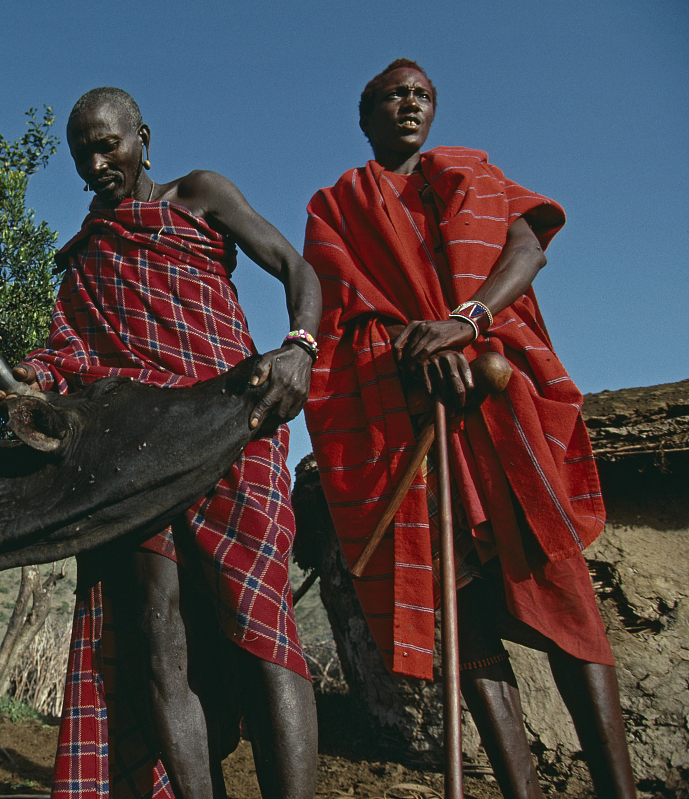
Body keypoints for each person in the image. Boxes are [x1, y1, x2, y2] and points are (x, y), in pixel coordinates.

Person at [302, 59, 636, 798]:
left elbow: (527, 250)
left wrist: (463, 323)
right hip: (415, 422)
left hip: (498, 415)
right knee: (470, 619)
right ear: (365, 115)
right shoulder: (337, 204)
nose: (411, 105)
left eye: (423, 95)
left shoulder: (471, 177)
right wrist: (411, 351)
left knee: (565, 598)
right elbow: (341, 316)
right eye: (395, 96)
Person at [13, 87, 322, 799]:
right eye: (82, 153)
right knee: (158, 643)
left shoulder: (198, 195)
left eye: (108, 145)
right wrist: (33, 378)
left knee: (263, 623)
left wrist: (300, 347)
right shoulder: (88, 257)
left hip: (232, 427)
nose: (96, 163)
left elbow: (297, 269)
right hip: (142, 457)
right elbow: (67, 353)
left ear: (143, 138)